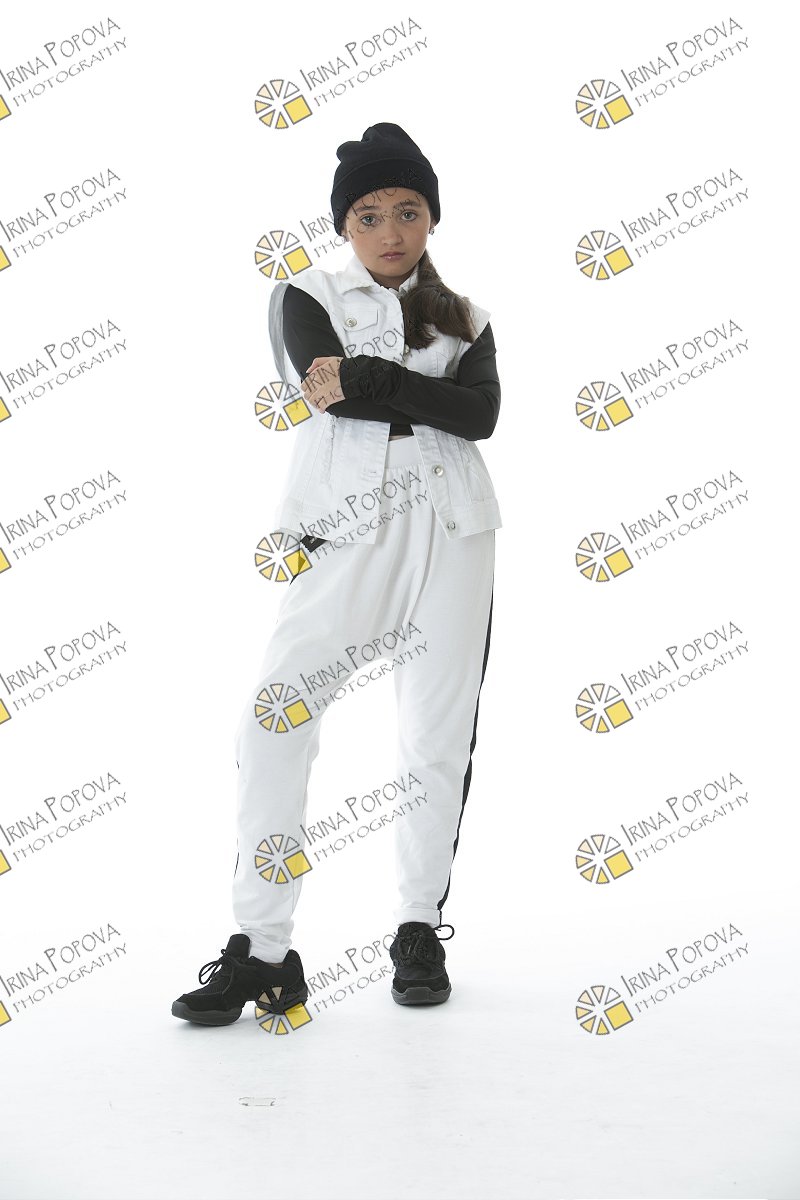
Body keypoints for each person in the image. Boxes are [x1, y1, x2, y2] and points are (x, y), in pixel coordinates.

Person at [172, 122, 502, 1027]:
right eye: (369, 215)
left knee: (437, 736)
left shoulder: (467, 317)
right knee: (276, 715)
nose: (391, 231)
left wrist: (378, 381)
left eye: (409, 210)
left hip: (456, 530)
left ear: (431, 217)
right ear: (345, 224)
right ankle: (264, 952)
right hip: (350, 527)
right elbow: (328, 390)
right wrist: (416, 393)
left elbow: (482, 419)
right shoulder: (305, 293)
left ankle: (418, 928)